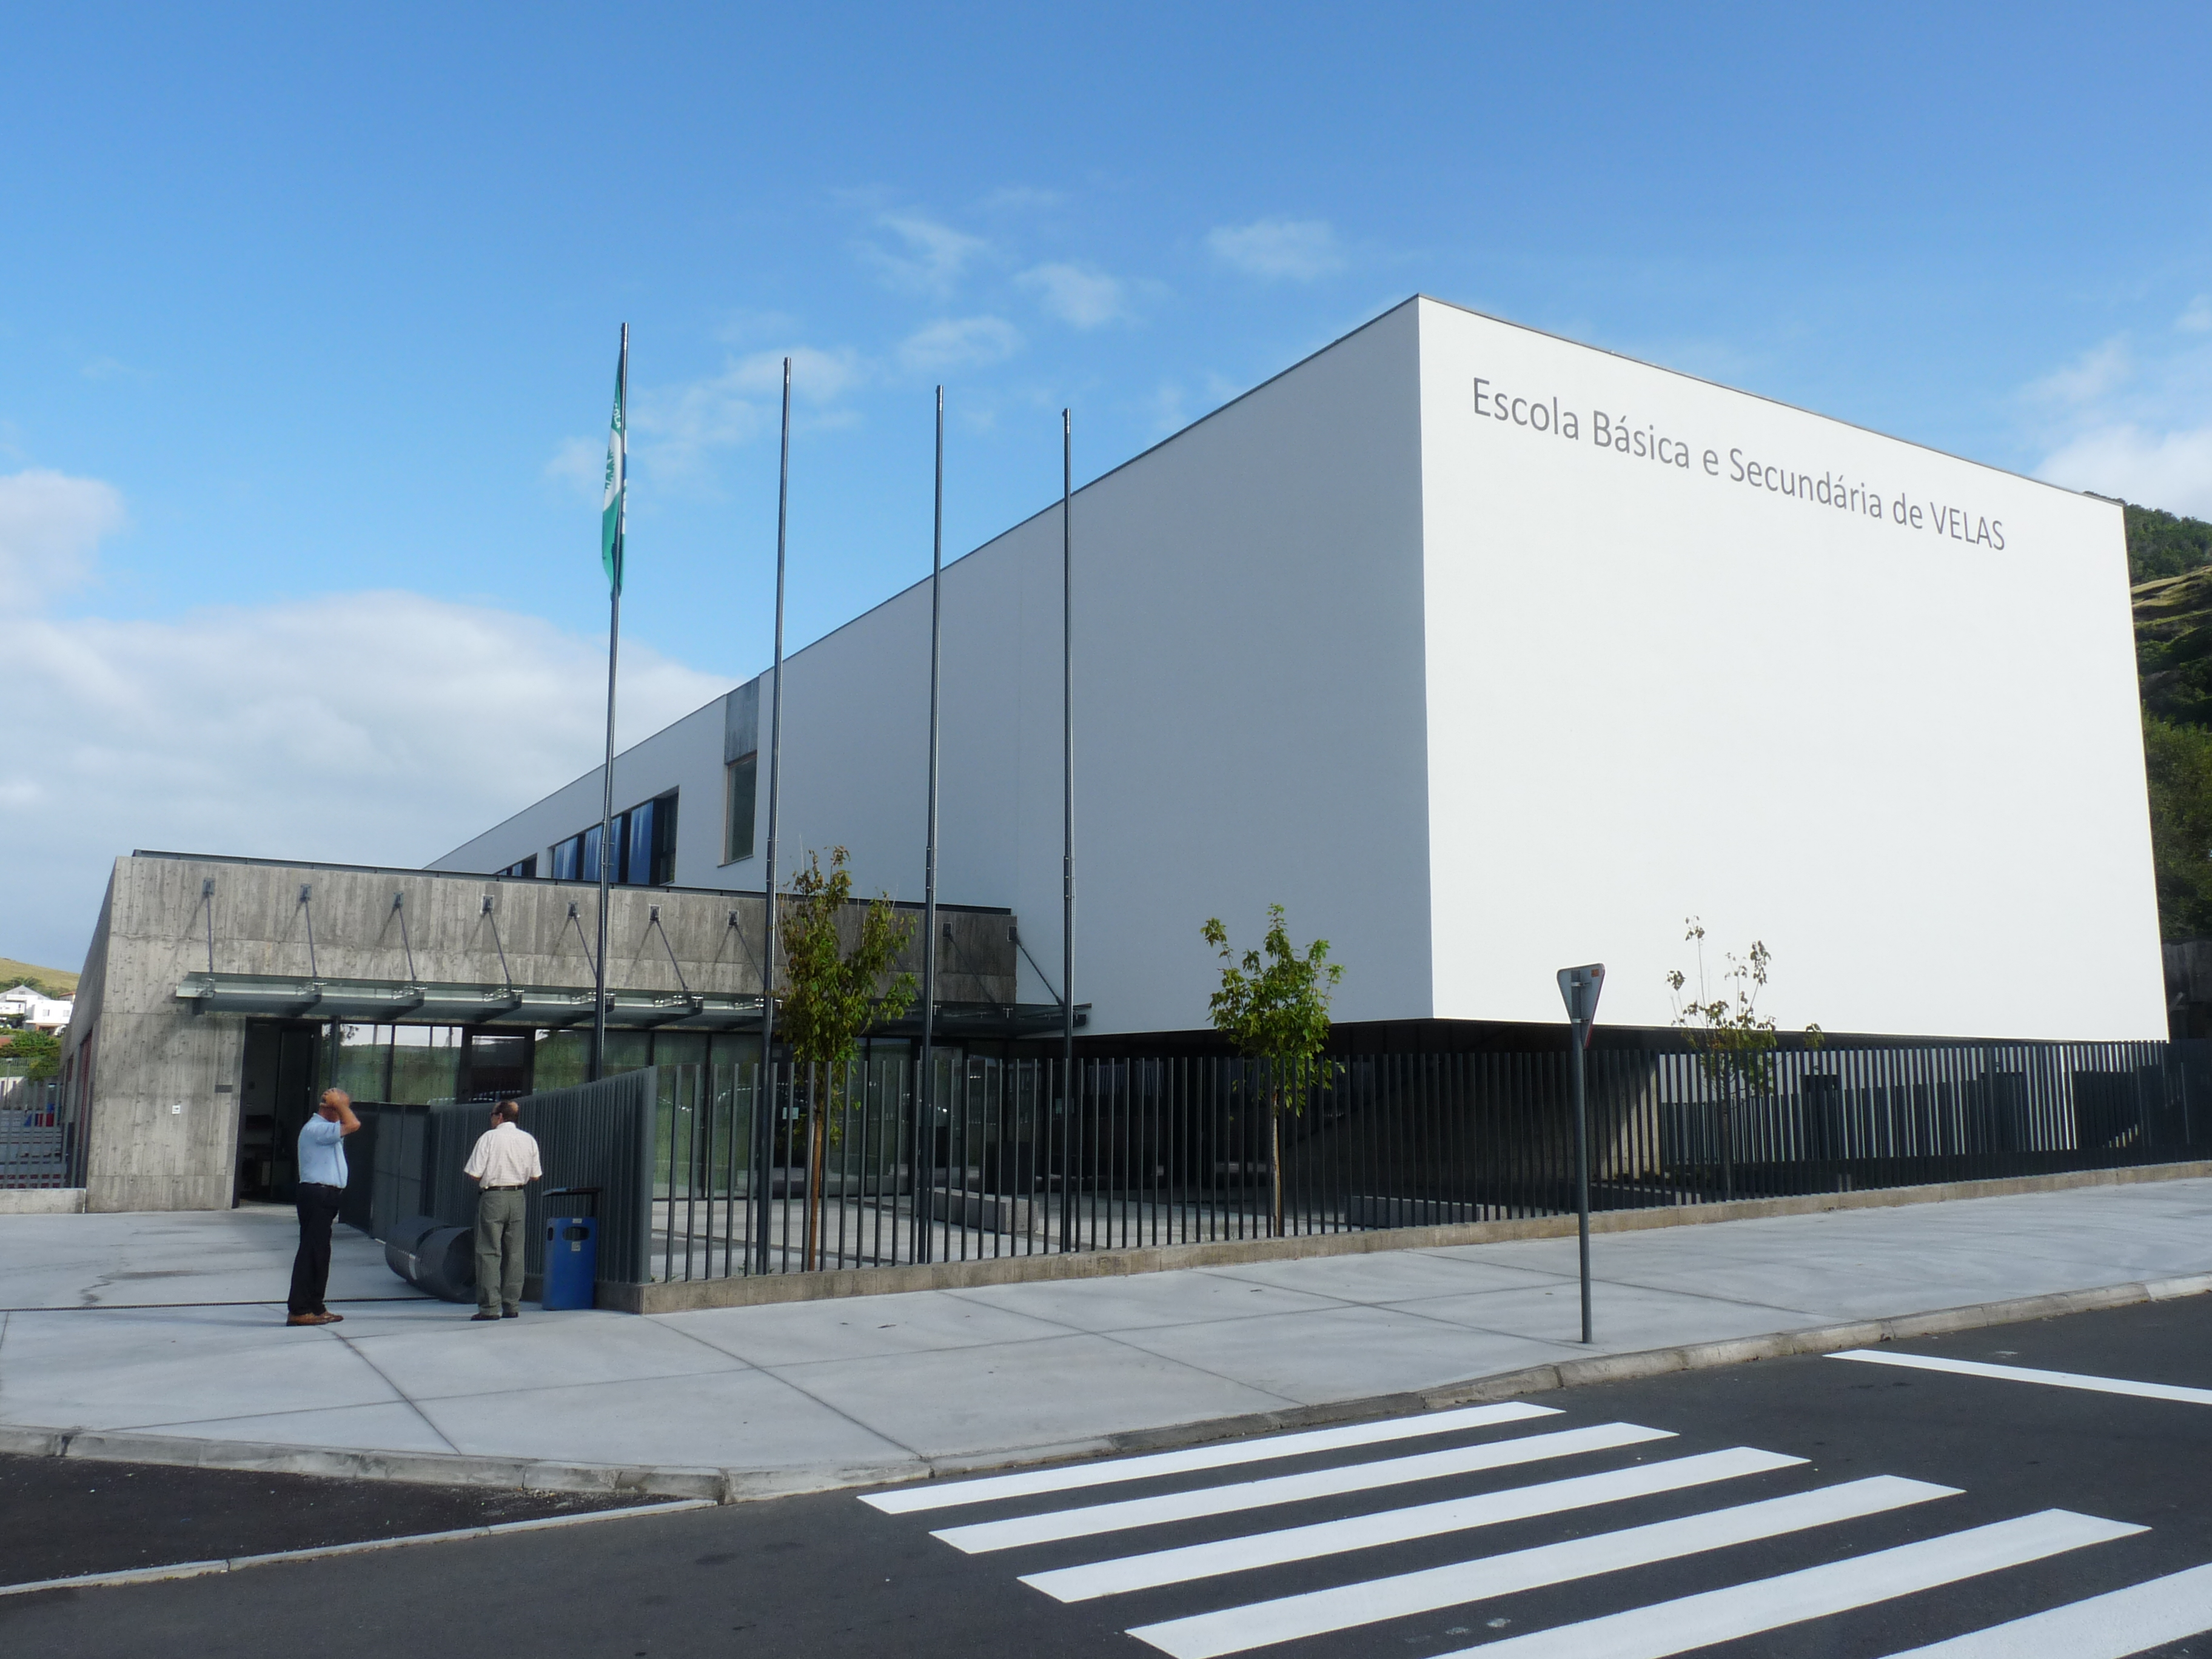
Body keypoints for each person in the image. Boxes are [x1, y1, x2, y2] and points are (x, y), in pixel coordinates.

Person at [463, 1098, 542, 1321]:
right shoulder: (528, 1139)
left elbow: (474, 1173)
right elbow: (536, 1176)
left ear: (499, 1117)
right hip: (518, 1196)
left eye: (492, 1115)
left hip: (493, 1196)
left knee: (489, 1251)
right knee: (515, 1252)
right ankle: (512, 1305)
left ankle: (489, 1307)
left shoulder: (489, 1138)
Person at [287, 1088, 360, 1327]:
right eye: (341, 1108)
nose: (344, 1113)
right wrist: (339, 1104)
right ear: (331, 1108)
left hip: (327, 1196)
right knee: (311, 1252)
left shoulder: (327, 1130)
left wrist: (339, 1104)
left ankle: (316, 1306)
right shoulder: (316, 1129)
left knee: (320, 1253)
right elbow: (354, 1124)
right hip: (316, 1194)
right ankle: (299, 1309)